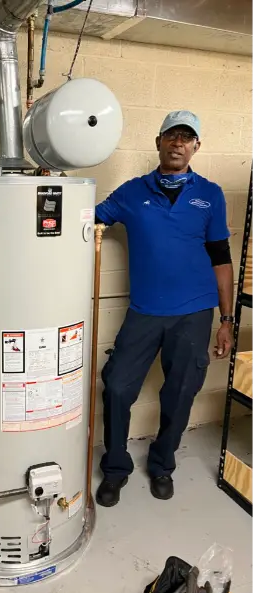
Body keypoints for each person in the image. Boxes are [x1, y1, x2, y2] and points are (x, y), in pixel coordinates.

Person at [95, 110, 234, 507]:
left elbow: (221, 258)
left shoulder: (211, 194)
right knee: (118, 386)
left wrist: (226, 320)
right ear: (158, 142)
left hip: (194, 313)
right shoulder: (131, 193)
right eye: (171, 136)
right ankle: (116, 468)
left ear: (196, 147)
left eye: (186, 137)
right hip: (144, 311)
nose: (178, 143)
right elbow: (91, 221)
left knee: (180, 392)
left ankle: (162, 464)